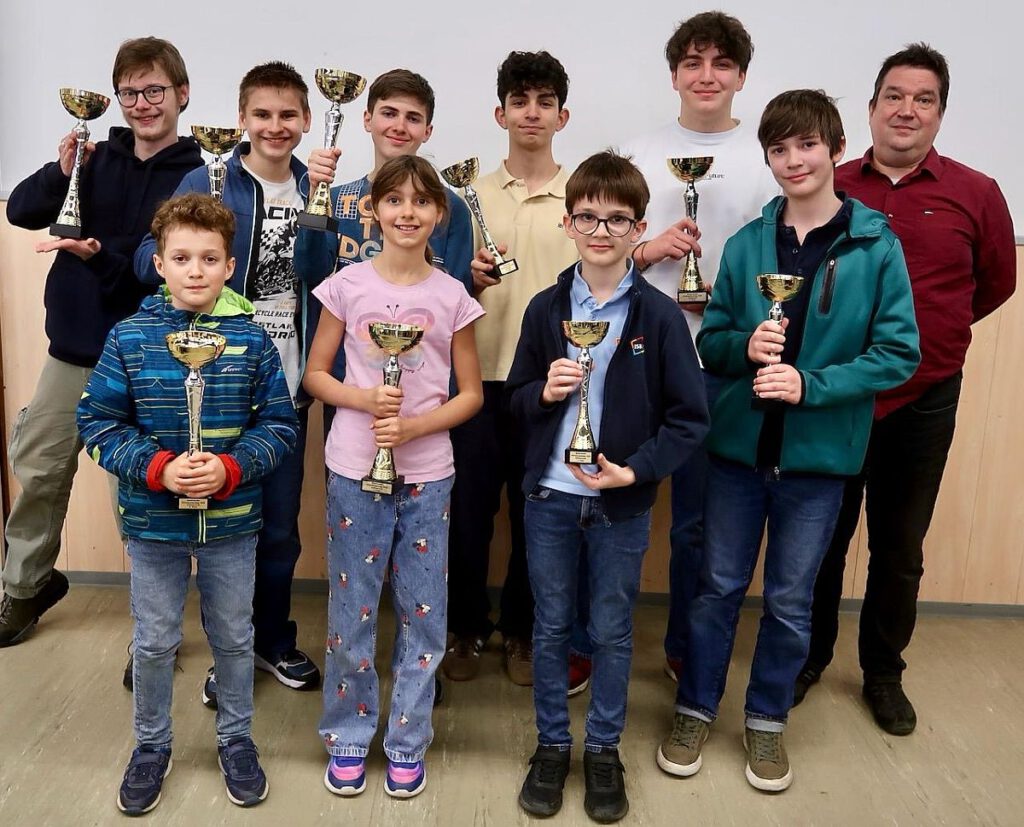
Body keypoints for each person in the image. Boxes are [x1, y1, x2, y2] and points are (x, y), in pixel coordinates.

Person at [657, 90, 920, 793]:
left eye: (807, 144)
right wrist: (743, 345)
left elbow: (899, 353)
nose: (793, 159)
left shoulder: (875, 245)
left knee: (790, 600)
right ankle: (694, 708)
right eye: (779, 148)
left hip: (818, 460)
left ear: (837, 149)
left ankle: (767, 719)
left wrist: (812, 385)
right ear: (768, 158)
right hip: (737, 454)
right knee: (715, 588)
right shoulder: (748, 243)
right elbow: (712, 340)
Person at [796, 44, 1017, 735]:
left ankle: (883, 673)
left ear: (941, 114)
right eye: (894, 96)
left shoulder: (977, 192)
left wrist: (932, 339)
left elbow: (995, 283)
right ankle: (806, 657)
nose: (906, 110)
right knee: (821, 538)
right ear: (871, 109)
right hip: (836, 397)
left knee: (900, 547)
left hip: (924, 399)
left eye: (924, 99)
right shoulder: (829, 182)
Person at [565, 12, 777, 694]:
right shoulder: (638, 152)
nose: (706, 75)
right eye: (692, 62)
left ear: (741, 76)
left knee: (697, 526)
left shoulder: (767, 161)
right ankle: (582, 643)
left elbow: (780, 265)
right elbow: (599, 247)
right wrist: (646, 251)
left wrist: (732, 298)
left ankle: (687, 646)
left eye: (721, 63)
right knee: (594, 504)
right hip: (630, 360)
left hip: (721, 366)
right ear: (675, 75)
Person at [77, 193, 299, 814]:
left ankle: (236, 739)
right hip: (153, 524)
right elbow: (97, 421)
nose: (195, 270)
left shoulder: (252, 341)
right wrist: (160, 469)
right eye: (181, 258)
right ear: (159, 263)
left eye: (209, 258)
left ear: (230, 266)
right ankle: (151, 746)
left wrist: (230, 467)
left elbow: (279, 425)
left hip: (232, 522)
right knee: (153, 642)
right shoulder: (129, 337)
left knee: (233, 637)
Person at [507, 151, 709, 822]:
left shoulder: (659, 316)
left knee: (614, 629)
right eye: (588, 216)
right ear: (567, 223)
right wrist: (545, 392)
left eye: (617, 219)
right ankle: (551, 744)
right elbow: (515, 399)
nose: (601, 230)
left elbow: (689, 419)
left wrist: (637, 470)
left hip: (620, 503)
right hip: (550, 498)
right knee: (551, 625)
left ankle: (602, 749)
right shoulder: (545, 309)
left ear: (639, 228)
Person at [0, 37, 202, 648]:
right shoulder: (91, 158)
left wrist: (100, 257)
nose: (142, 104)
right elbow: (21, 211)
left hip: (146, 355)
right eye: (129, 93)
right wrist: (62, 169)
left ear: (182, 94)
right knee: (39, 468)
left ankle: (153, 627)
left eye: (154, 90)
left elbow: (170, 267)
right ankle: (25, 586)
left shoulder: (199, 173)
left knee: (137, 491)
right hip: (73, 347)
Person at [134, 61, 320, 701]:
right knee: (220, 531)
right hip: (209, 386)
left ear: (307, 121)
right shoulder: (206, 176)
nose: (274, 125)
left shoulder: (317, 187)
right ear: (242, 118)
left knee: (279, 528)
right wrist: (197, 251)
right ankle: (225, 654)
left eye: (288, 114)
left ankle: (270, 640)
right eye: (261, 114)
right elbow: (148, 257)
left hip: (287, 385)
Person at [304, 156, 484, 799]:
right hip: (355, 469)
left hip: (429, 474)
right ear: (372, 210)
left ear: (440, 214)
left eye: (422, 201)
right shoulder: (345, 285)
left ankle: (407, 740)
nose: (408, 212)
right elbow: (315, 375)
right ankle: (348, 734)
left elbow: (471, 395)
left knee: (424, 612)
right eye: (395, 200)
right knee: (352, 609)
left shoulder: (453, 295)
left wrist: (414, 427)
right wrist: (362, 400)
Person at [444, 49, 577, 687]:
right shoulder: (464, 196)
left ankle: (524, 632)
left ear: (562, 116)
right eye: (519, 101)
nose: (531, 112)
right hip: (475, 380)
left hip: (549, 383)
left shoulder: (581, 195)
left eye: (544, 102)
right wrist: (465, 279)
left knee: (537, 517)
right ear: (500, 114)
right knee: (467, 515)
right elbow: (436, 289)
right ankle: (464, 628)